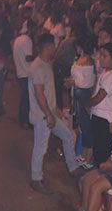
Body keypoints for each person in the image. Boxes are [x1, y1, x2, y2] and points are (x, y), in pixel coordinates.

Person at [28, 34, 80, 195]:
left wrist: (55, 108)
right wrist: (48, 114)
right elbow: (39, 94)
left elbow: (47, 92)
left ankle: (73, 168)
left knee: (68, 136)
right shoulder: (38, 67)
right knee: (41, 147)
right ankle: (36, 178)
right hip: (43, 116)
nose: (56, 49)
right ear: (49, 47)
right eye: (54, 46)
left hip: (49, 113)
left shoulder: (45, 64)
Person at [85, 43, 112, 166]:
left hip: (105, 117)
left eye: (104, 56)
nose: (101, 58)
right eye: (101, 55)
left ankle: (101, 172)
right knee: (100, 147)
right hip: (100, 115)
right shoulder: (106, 72)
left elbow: (99, 97)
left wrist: (87, 104)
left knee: (102, 150)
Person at [69, 37, 97, 168]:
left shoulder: (84, 61)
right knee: (84, 126)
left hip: (82, 94)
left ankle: (88, 157)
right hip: (83, 93)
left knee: (86, 126)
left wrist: (72, 82)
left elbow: (82, 82)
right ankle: (85, 155)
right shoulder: (90, 60)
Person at [13, 21, 35, 128]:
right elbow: (28, 57)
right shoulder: (27, 40)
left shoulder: (17, 39)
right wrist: (37, 56)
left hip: (20, 72)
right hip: (26, 73)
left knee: (24, 98)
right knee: (26, 99)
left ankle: (23, 119)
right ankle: (25, 120)